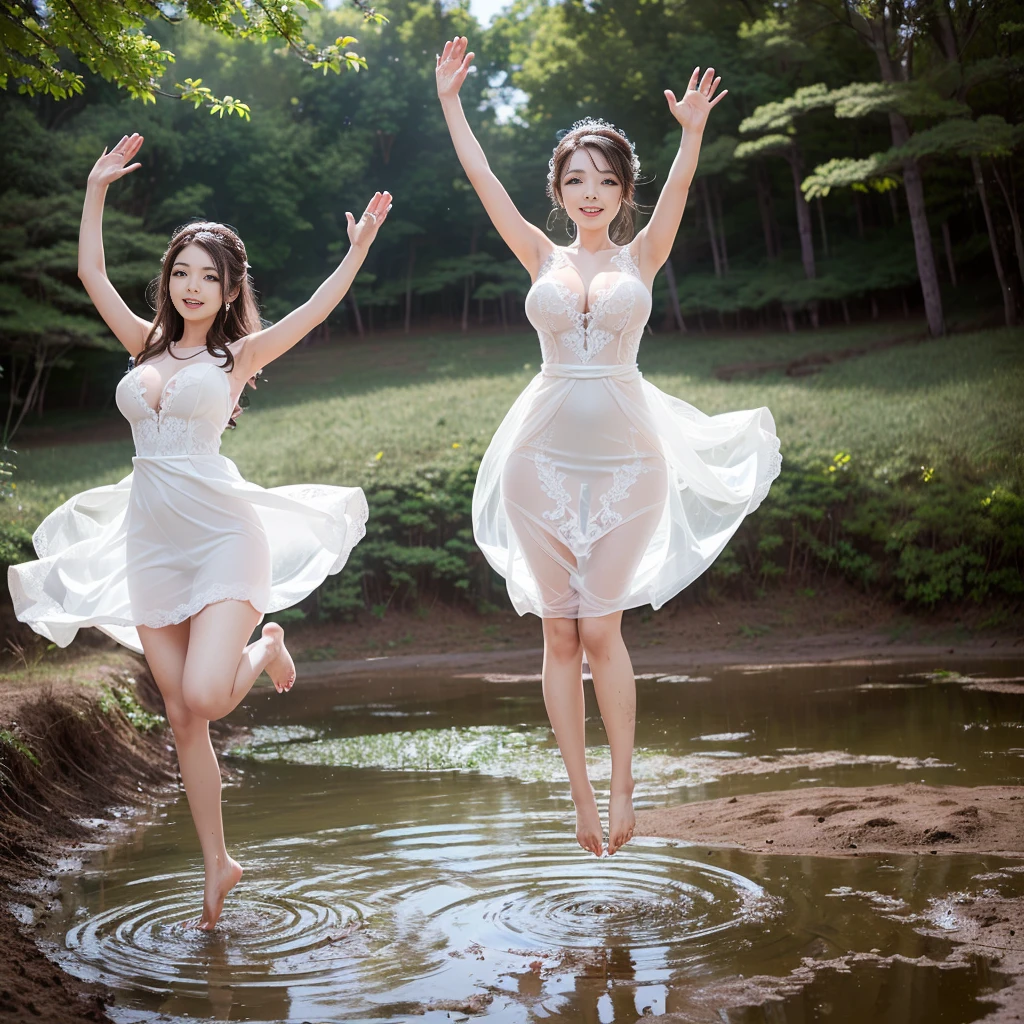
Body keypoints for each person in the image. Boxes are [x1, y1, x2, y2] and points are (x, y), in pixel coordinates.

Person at [8, 133, 392, 927]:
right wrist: (94, 190)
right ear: (169, 282)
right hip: (151, 544)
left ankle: (267, 645)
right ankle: (218, 864)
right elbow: (89, 273)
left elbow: (319, 311)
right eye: (180, 273)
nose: (191, 287)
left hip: (222, 536)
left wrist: (355, 252)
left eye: (207, 278)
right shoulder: (142, 346)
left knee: (206, 696)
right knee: (182, 717)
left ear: (228, 289)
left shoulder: (236, 358)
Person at [436, 38, 781, 857]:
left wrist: (691, 131)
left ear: (626, 191)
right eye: (575, 181)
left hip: (631, 461)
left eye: (606, 181)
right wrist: (451, 104)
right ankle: (582, 802)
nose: (590, 194)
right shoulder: (538, 252)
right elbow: (483, 180)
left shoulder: (642, 254)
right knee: (559, 634)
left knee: (603, 631)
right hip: (538, 458)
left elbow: (686, 186)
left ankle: (626, 782)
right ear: (557, 191)